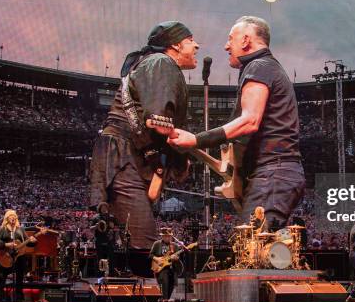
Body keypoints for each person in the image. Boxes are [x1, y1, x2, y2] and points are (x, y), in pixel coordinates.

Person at [168, 16, 305, 230]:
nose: (225, 46)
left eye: (230, 39)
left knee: (252, 249)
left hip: (272, 174)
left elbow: (250, 121)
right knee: (257, 249)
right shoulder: (264, 67)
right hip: (275, 175)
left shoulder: (259, 66)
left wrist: (196, 139)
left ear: (246, 40)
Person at [89, 21, 198, 249]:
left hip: (125, 153)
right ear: (175, 45)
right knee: (144, 245)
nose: (196, 46)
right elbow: (159, 122)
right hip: (125, 156)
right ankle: (145, 282)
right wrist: (185, 153)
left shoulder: (152, 63)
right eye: (190, 40)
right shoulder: (161, 62)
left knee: (135, 240)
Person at [0, 209, 36, 302]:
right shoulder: (2, 229)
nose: (13, 218)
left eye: (14, 216)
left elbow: (27, 242)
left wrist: (33, 241)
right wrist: (6, 244)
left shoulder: (20, 229)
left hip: (19, 257)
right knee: (2, 277)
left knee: (20, 277)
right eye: (10, 216)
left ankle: (19, 298)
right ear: (7, 218)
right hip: (5, 256)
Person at [149, 227, 178, 300]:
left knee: (171, 285)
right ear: (162, 236)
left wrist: (176, 258)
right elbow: (150, 255)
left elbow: (178, 257)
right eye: (165, 236)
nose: (167, 238)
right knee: (164, 283)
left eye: (168, 236)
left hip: (171, 269)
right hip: (161, 269)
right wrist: (157, 259)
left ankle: (166, 300)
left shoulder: (174, 245)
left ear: (171, 236)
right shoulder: (157, 244)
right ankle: (164, 300)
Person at [89, 203, 117, 275]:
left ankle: (111, 273)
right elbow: (90, 228)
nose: (104, 209)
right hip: (99, 239)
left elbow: (117, 228)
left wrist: (113, 228)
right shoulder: (96, 217)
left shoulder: (111, 217)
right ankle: (100, 273)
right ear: (100, 209)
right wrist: (95, 226)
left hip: (109, 239)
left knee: (111, 257)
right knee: (100, 257)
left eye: (105, 207)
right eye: (102, 208)